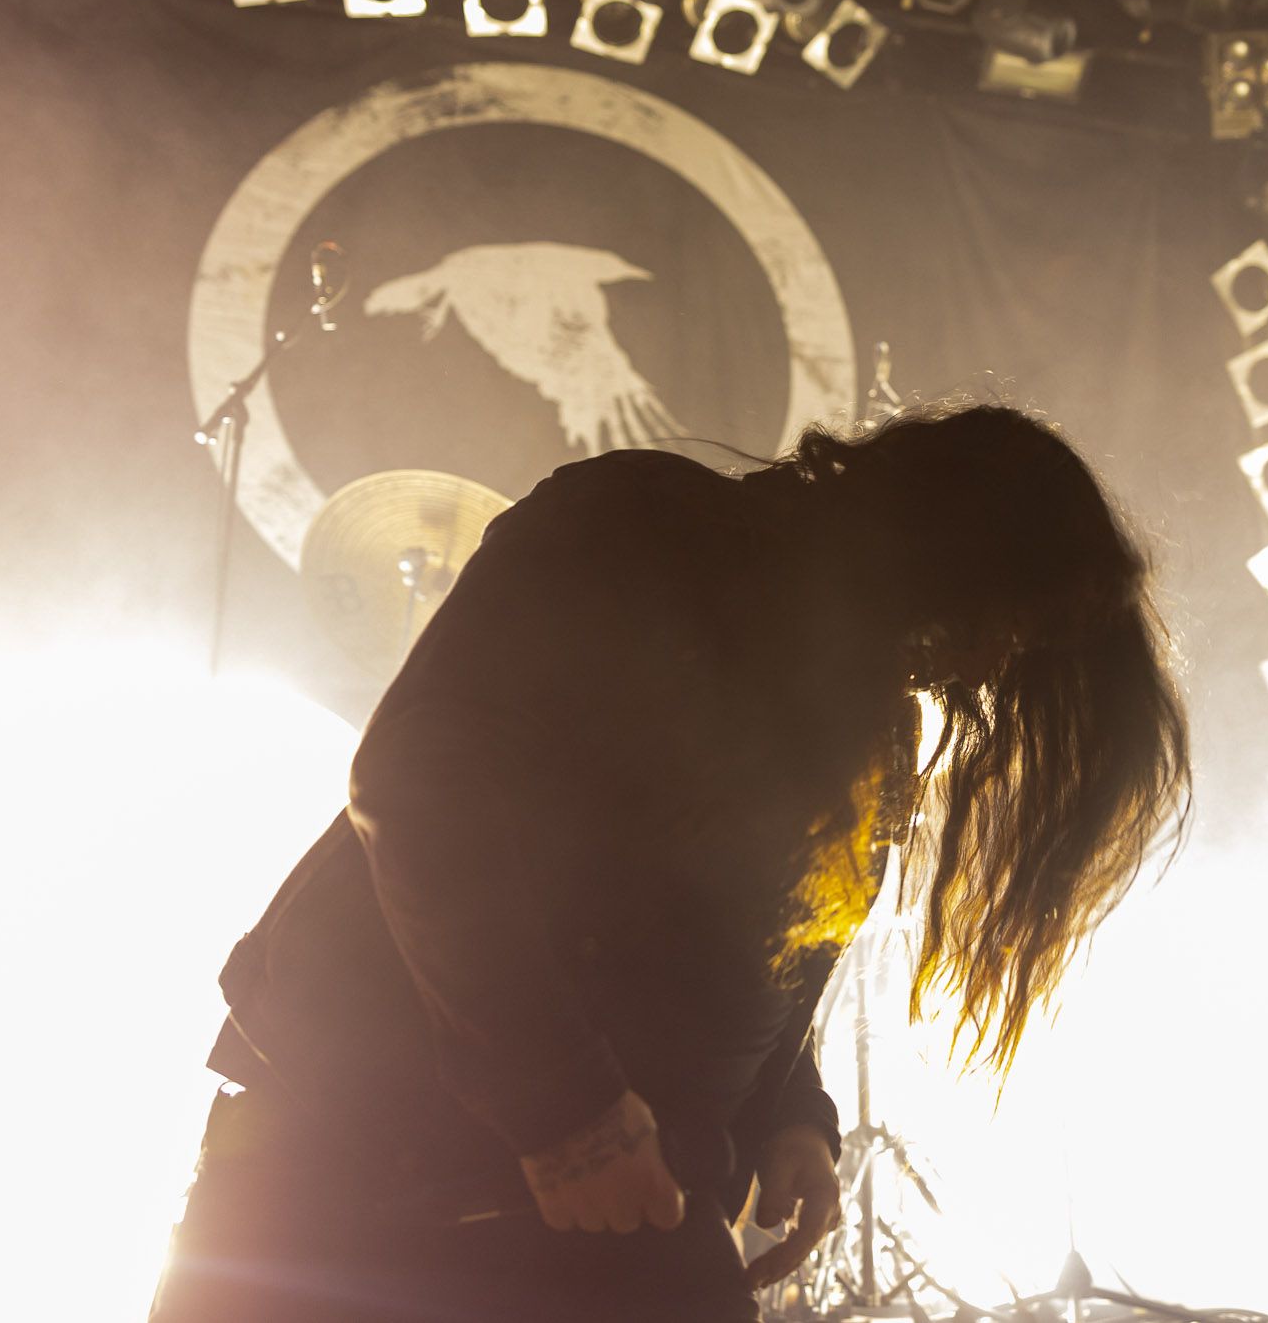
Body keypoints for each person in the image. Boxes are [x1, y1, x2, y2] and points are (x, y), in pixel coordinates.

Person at [148, 404, 1191, 1323]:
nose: (992, 663)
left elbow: (760, 947)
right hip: (364, 1153)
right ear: (942, 551)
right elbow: (420, 785)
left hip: (618, 1193)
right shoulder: (636, 525)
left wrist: (790, 1114)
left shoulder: (875, 717)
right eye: (1001, 624)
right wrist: (564, 1108)